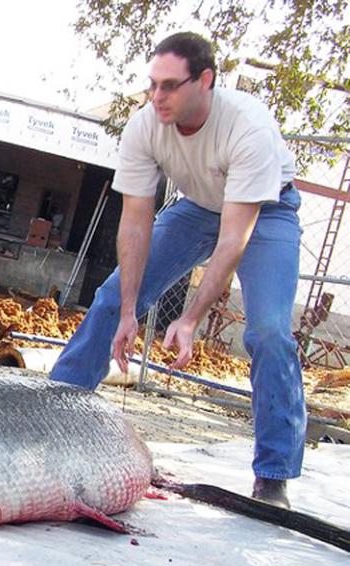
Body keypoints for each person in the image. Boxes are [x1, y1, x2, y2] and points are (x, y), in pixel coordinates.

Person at [50, 32, 304, 509]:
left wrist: (189, 319)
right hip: (198, 207)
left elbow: (234, 239)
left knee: (270, 331)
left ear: (204, 80)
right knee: (110, 301)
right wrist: (130, 309)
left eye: (169, 86)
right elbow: (135, 221)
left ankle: (273, 476)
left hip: (266, 211)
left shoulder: (248, 127)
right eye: (152, 84)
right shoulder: (145, 125)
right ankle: (50, 419)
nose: (157, 97)